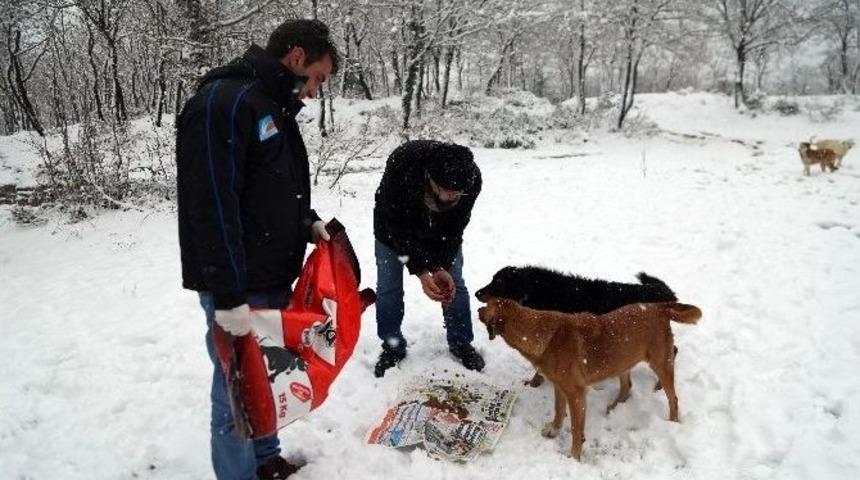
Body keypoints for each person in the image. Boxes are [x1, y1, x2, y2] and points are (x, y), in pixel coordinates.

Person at [175, 19, 338, 480]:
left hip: (267, 277)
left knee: (266, 380)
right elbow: (211, 207)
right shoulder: (223, 103)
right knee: (235, 393)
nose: (316, 91)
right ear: (295, 57)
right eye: (318, 77)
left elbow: (270, 189)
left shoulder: (272, 105)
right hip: (237, 284)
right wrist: (228, 297)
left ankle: (265, 460)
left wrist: (308, 223)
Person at [373, 140, 485, 377]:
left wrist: (440, 265)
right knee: (389, 287)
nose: (452, 196)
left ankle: (461, 341)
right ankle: (392, 346)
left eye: (458, 193)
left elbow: (456, 227)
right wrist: (422, 271)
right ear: (431, 179)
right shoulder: (403, 165)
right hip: (392, 231)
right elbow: (397, 226)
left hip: (440, 232)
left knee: (455, 283)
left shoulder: (472, 179)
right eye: (446, 190)